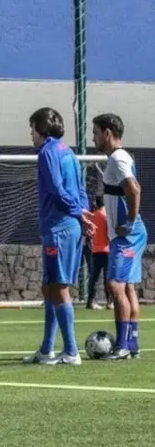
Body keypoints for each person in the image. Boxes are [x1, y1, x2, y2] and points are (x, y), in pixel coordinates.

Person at [22, 107, 93, 366]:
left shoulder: (48, 152)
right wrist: (83, 214)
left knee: (59, 287)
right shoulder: (69, 152)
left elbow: (55, 188)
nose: (30, 134)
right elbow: (82, 189)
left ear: (41, 129)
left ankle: (71, 351)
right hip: (68, 225)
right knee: (49, 286)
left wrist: (78, 213)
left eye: (32, 128)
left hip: (60, 228)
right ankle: (46, 349)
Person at [92, 113, 145, 359]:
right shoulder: (118, 158)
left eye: (95, 133)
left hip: (127, 235)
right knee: (128, 289)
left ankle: (123, 346)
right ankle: (131, 346)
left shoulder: (117, 158)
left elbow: (134, 188)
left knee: (115, 286)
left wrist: (130, 223)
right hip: (128, 234)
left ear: (107, 133)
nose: (93, 138)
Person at [84, 195, 111, 310]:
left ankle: (90, 301)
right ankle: (109, 302)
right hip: (107, 250)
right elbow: (109, 234)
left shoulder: (92, 216)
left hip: (95, 250)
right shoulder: (107, 216)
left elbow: (88, 231)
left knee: (94, 277)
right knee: (107, 277)